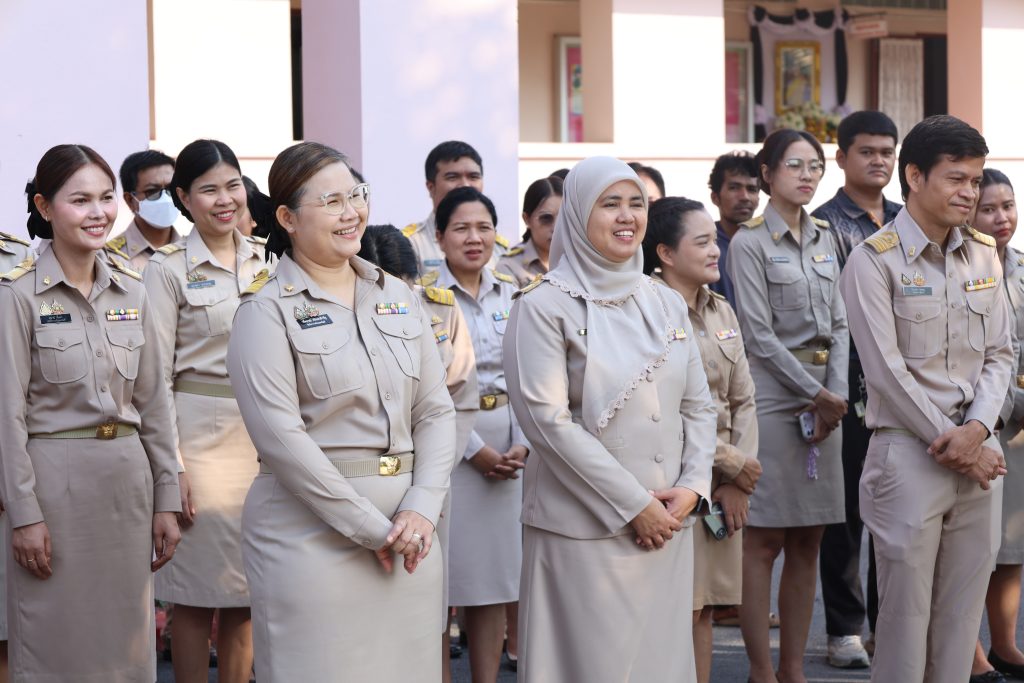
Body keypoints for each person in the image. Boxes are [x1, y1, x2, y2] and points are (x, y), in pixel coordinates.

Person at [226, 141, 456, 681]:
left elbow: (435, 411)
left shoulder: (397, 294)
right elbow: (282, 441)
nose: (351, 212)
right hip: (310, 541)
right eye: (331, 201)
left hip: (411, 536)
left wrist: (422, 507)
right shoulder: (264, 310)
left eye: (357, 195)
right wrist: (371, 528)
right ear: (287, 218)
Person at [504, 156, 716, 681]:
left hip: (667, 526)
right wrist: (633, 506)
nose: (627, 217)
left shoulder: (665, 301)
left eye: (636, 204)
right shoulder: (543, 306)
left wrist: (693, 488)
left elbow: (698, 406)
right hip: (584, 532)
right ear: (578, 214)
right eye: (610, 204)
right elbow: (547, 423)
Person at [840, 115, 1013, 683]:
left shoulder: (983, 254)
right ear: (914, 177)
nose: (970, 193)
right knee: (904, 627)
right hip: (909, 456)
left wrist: (978, 431)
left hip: (979, 457)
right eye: (956, 179)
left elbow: (1000, 355)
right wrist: (956, 442)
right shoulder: (874, 259)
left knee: (960, 624)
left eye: (975, 180)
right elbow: (885, 373)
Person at [0, 144, 181, 681]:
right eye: (80, 200)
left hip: (126, 483)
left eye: (106, 198)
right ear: (45, 206)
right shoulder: (18, 295)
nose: (98, 212)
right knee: (56, 642)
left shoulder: (133, 289)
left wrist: (167, 497)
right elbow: (7, 416)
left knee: (126, 646)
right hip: (54, 488)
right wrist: (25, 514)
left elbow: (154, 402)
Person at [144, 139, 270, 683]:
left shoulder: (269, 258)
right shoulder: (167, 269)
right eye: (209, 189)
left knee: (247, 591)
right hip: (199, 438)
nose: (225, 200)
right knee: (194, 595)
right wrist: (171, 467)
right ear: (183, 198)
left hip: (263, 436)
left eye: (233, 185)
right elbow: (154, 376)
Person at [727, 128, 850, 683]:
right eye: (795, 165)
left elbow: (842, 324)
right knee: (764, 540)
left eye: (815, 166)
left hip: (828, 398)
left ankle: (794, 669)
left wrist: (835, 395)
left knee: (810, 537)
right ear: (768, 174)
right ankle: (761, 669)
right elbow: (756, 334)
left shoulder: (827, 236)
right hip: (777, 398)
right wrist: (816, 395)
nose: (807, 175)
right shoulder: (749, 243)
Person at [642, 197, 760, 683]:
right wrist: (733, 463)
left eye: (715, 241)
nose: (716, 250)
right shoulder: (646, 311)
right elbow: (666, 408)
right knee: (677, 610)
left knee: (706, 607)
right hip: (672, 482)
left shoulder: (720, 309)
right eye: (703, 242)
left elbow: (744, 399)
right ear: (666, 253)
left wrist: (737, 480)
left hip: (723, 489)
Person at [358, 223, 479, 683]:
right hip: (363, 479)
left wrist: (433, 477)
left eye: (404, 286)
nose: (395, 299)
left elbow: (459, 399)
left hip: (428, 481)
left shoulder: (438, 308)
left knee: (426, 607)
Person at [422, 186, 528, 681]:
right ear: (440, 236)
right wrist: (475, 450)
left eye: (484, 227)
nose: (474, 238)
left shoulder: (515, 293)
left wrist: (522, 443)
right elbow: (429, 389)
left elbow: (529, 375)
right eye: (461, 228)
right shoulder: (423, 297)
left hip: (511, 443)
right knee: (441, 582)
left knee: (493, 583)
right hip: (449, 447)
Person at [810, 110, 902, 668]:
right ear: (842, 158)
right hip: (846, 386)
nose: (878, 161)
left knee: (896, 512)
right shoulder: (823, 226)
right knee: (845, 515)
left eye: (887, 152)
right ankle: (844, 629)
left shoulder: (909, 219)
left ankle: (886, 627)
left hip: (904, 387)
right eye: (867, 151)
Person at [963, 169, 1024, 683]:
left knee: (1011, 544)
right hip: (978, 419)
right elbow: (981, 356)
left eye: (1008, 206)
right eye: (989, 208)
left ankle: (1004, 646)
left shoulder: (1021, 266)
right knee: (973, 546)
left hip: (1020, 424)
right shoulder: (963, 265)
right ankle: (970, 653)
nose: (1001, 217)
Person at [402, 141, 509, 273]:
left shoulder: (500, 249)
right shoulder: (410, 244)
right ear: (431, 187)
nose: (465, 185)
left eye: (473, 177)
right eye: (452, 177)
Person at [106, 150, 182, 273]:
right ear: (130, 200)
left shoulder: (194, 249)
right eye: (152, 191)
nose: (165, 198)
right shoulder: (109, 258)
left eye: (171, 189)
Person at [707, 151, 760, 308]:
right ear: (715, 197)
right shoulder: (705, 247)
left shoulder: (770, 244)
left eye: (752, 189)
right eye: (734, 188)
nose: (744, 197)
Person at [498, 176, 562, 287]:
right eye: (546, 218)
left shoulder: (579, 261)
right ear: (526, 219)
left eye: (563, 219)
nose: (556, 228)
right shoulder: (508, 266)